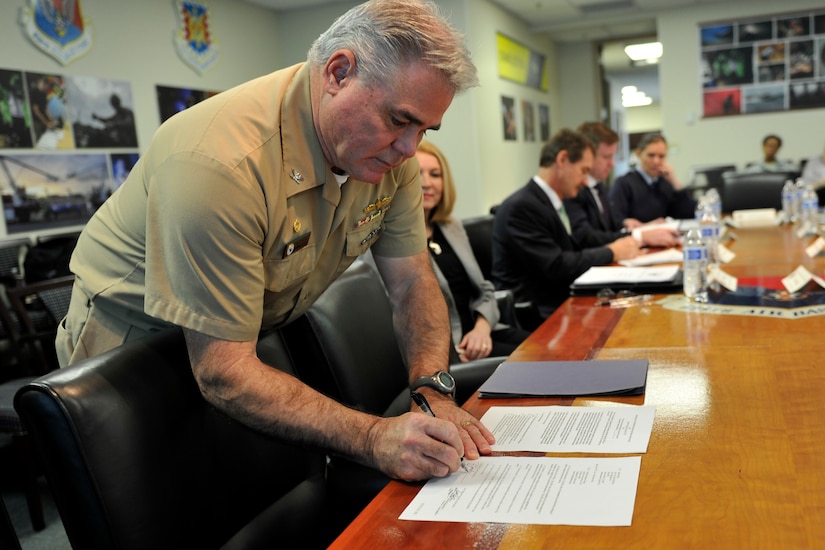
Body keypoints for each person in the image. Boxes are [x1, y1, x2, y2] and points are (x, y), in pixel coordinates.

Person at [57, 0, 494, 484]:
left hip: (237, 344)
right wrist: (374, 437)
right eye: (398, 120)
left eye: (424, 129)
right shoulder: (219, 164)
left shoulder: (388, 156)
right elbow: (223, 371)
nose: (411, 148)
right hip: (132, 358)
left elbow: (412, 280)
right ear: (338, 72)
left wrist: (432, 389)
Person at [492, 129, 640, 324]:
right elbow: (556, 265)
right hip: (536, 314)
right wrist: (611, 252)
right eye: (584, 171)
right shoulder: (522, 206)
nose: (586, 181)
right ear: (562, 159)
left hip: (561, 301)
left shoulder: (550, 201)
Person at [416, 140, 528, 360]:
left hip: (485, 332)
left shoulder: (452, 227)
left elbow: (485, 289)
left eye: (435, 175)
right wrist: (451, 352)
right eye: (416, 174)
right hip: (452, 351)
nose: (427, 183)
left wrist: (482, 328)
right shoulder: (394, 244)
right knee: (537, 363)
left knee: (553, 349)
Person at [564, 122, 681, 249]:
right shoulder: (574, 189)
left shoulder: (598, 186)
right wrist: (639, 235)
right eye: (606, 157)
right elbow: (586, 237)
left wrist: (632, 225)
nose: (612, 164)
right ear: (587, 156)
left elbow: (609, 229)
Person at [609, 132, 696, 224]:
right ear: (639, 154)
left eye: (661, 156)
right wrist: (646, 226)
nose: (656, 161)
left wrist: (674, 181)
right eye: (651, 155)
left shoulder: (664, 184)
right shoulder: (624, 183)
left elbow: (689, 214)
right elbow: (616, 221)